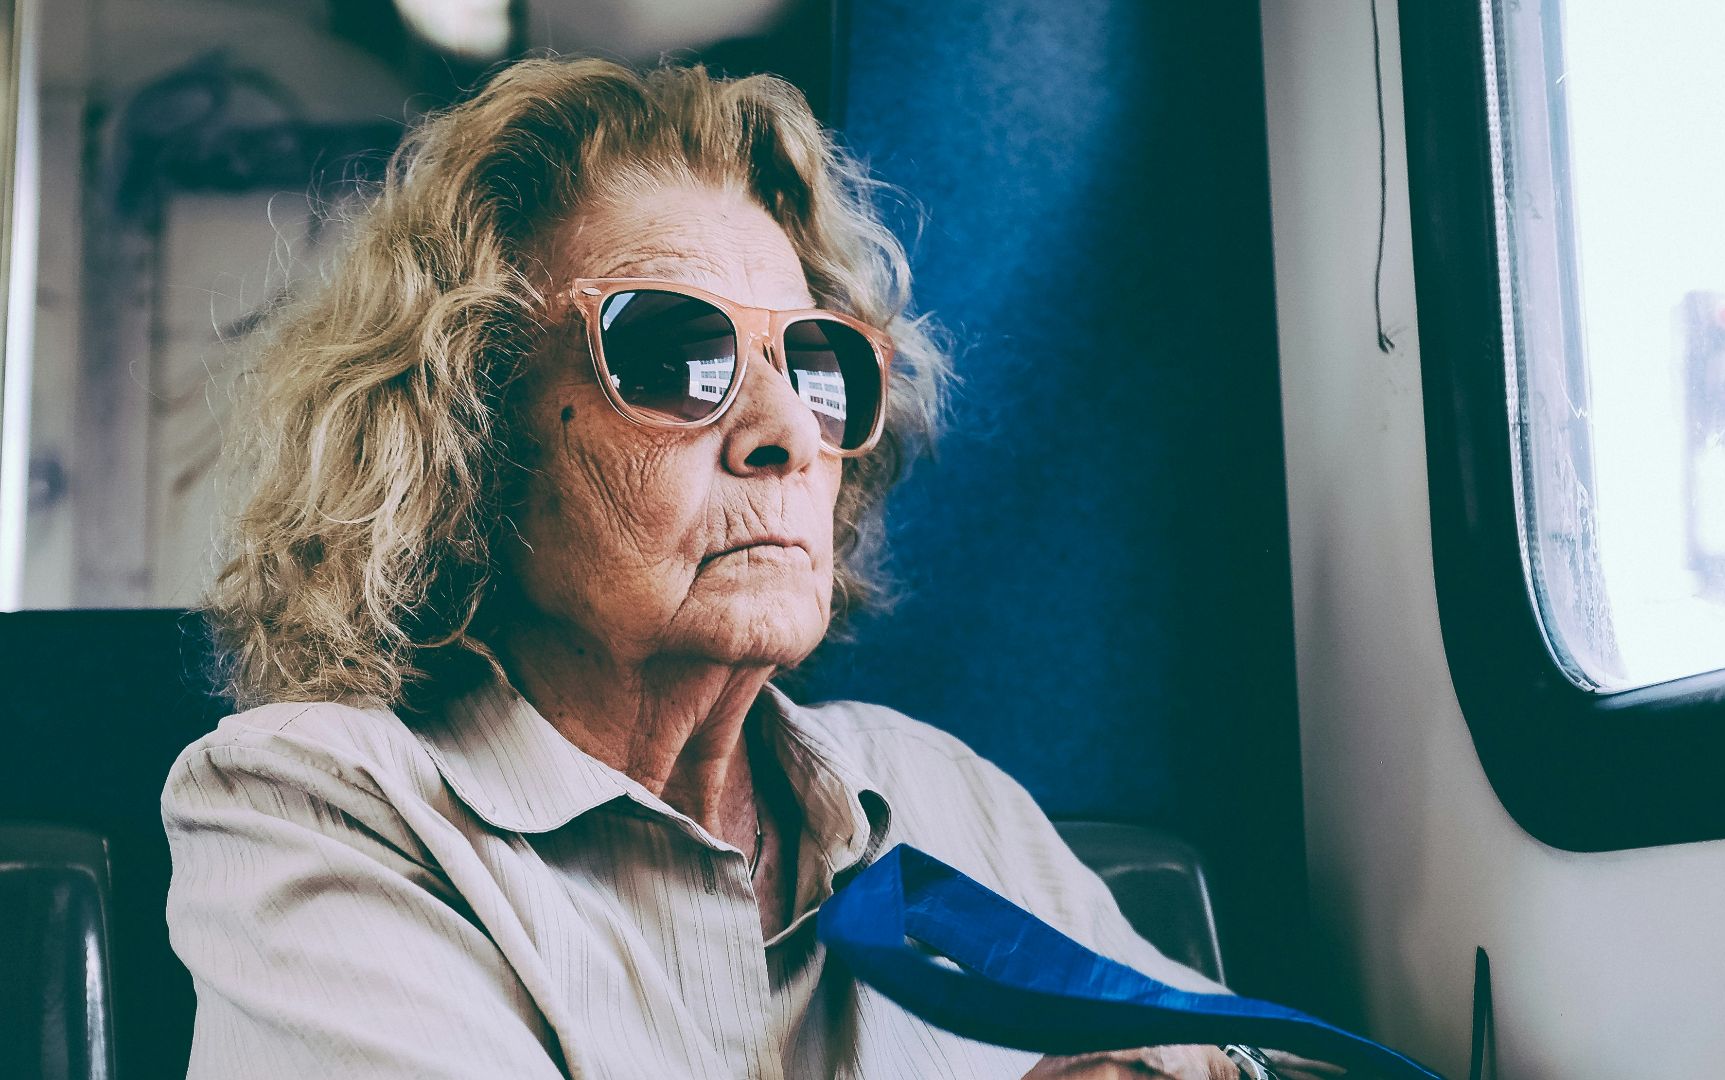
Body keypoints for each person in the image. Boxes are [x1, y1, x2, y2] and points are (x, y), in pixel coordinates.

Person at [162, 57, 1323, 1080]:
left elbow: (1265, 1059)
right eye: (675, 352)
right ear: (469, 432)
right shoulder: (324, 806)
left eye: (815, 362)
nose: (788, 430)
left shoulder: (934, 794)